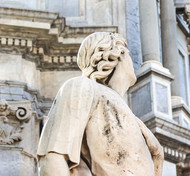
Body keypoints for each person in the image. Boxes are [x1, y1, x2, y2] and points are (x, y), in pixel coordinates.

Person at [37, 32, 164, 176]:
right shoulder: (82, 87)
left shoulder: (136, 122)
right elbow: (52, 157)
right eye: (129, 54)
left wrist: (157, 158)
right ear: (118, 54)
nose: (132, 61)